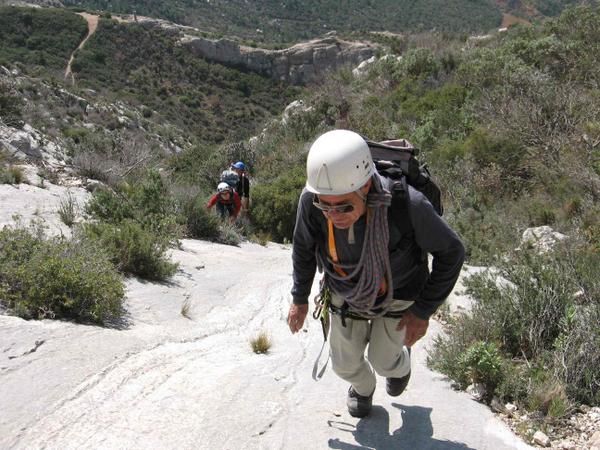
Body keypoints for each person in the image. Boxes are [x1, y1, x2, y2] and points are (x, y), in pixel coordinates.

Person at [287, 129, 465, 418]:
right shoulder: (311, 200)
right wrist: (300, 298)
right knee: (344, 365)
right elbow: (303, 247)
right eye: (325, 205)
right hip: (345, 287)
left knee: (384, 361)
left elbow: (452, 252)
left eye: (344, 205)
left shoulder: (409, 204)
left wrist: (422, 311)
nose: (333, 214)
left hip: (399, 290)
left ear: (367, 187)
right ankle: (362, 388)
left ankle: (399, 365)